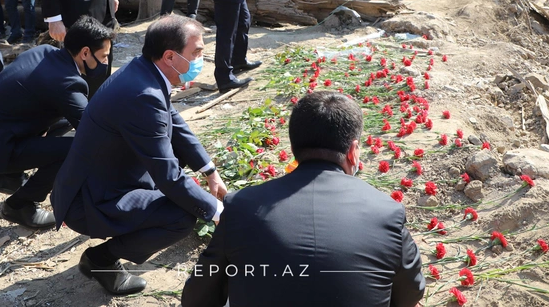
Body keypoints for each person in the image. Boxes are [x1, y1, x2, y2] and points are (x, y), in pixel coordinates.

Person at [181, 91, 425, 307]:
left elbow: (197, 296)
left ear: (294, 147)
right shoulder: (386, 212)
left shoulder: (242, 206)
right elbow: (410, 293)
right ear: (353, 151)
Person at [52, 15, 227, 296]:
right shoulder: (142, 95)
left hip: (106, 179)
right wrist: (218, 211)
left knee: (179, 185)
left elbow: (174, 122)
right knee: (180, 216)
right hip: (91, 199)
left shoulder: (143, 71)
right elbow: (169, 177)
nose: (201, 59)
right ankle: (100, 260)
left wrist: (209, 170)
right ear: (170, 56)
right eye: (197, 52)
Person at [0, 16, 115, 229]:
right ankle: (20, 205)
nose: (106, 63)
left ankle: (10, 177)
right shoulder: (68, 83)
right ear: (85, 52)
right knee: (77, 151)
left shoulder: (42, 52)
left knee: (62, 122)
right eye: (104, 57)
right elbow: (95, 131)